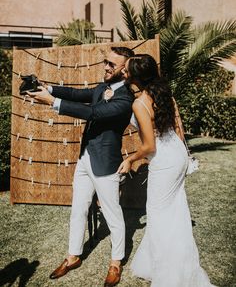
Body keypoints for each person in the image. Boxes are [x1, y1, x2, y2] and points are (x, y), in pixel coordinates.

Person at [27, 46, 135, 287]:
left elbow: (93, 112)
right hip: (84, 158)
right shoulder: (101, 88)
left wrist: (53, 102)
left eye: (112, 64)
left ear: (125, 72)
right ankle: (73, 256)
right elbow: (78, 95)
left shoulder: (126, 99)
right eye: (105, 61)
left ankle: (116, 262)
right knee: (78, 209)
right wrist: (49, 88)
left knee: (113, 214)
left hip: (106, 164)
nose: (106, 67)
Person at [118, 54, 215, 287]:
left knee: (158, 215)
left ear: (134, 76)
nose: (122, 71)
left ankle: (170, 276)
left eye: (126, 68)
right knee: (175, 211)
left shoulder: (140, 103)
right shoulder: (164, 95)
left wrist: (131, 159)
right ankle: (160, 264)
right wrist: (185, 156)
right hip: (177, 154)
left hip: (164, 159)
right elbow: (179, 128)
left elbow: (149, 146)